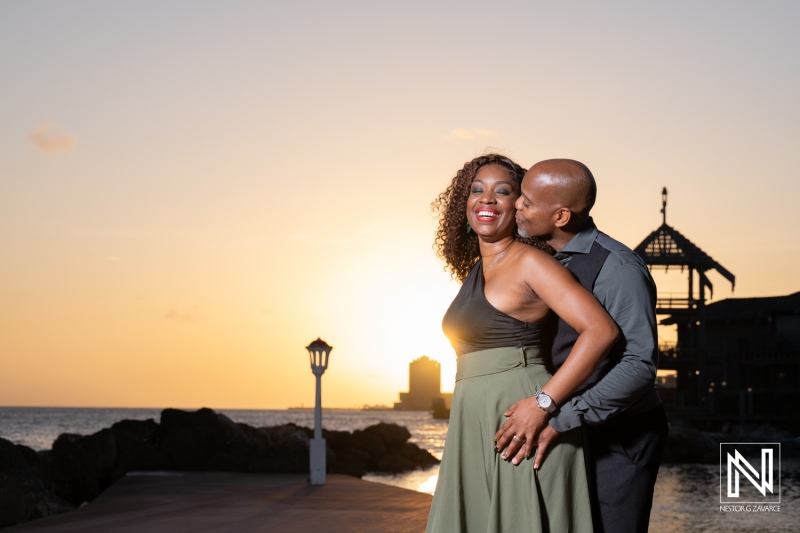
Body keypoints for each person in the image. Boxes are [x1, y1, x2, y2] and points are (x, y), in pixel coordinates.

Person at [426, 154, 619, 533]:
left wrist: (543, 403)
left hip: (521, 423)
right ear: (463, 203)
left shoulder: (530, 262)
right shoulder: (478, 269)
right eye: (477, 190)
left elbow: (601, 331)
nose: (487, 199)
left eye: (503, 191)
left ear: (519, 206)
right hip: (476, 421)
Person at [494, 159, 669, 533]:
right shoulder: (537, 257)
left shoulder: (617, 267)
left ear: (560, 216)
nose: (516, 206)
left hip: (619, 437)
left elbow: (639, 365)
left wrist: (559, 415)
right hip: (563, 425)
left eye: (527, 200)